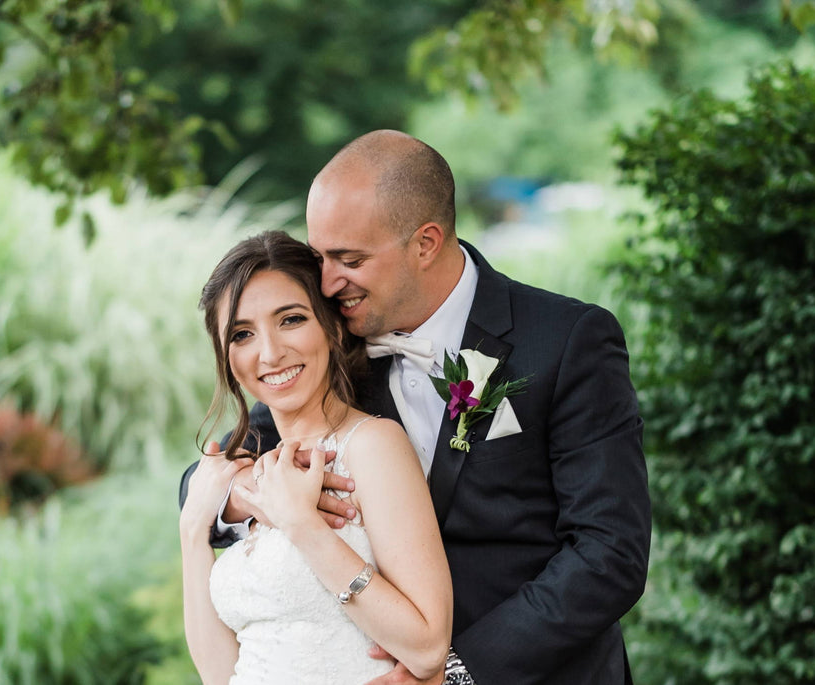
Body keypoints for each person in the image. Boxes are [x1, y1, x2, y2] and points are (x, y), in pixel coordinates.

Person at [183, 129, 651, 684]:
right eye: (319, 257)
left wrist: (455, 673)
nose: (328, 282)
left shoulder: (565, 339)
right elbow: (211, 474)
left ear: (426, 243)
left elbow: (608, 552)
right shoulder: (332, 348)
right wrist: (245, 495)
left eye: (349, 258)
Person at [179, 231, 453, 685]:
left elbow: (426, 649)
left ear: (329, 326)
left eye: (290, 320)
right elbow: (219, 675)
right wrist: (192, 531)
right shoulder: (254, 472)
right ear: (226, 356)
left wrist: (302, 526)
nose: (269, 353)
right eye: (242, 334)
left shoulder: (372, 445)